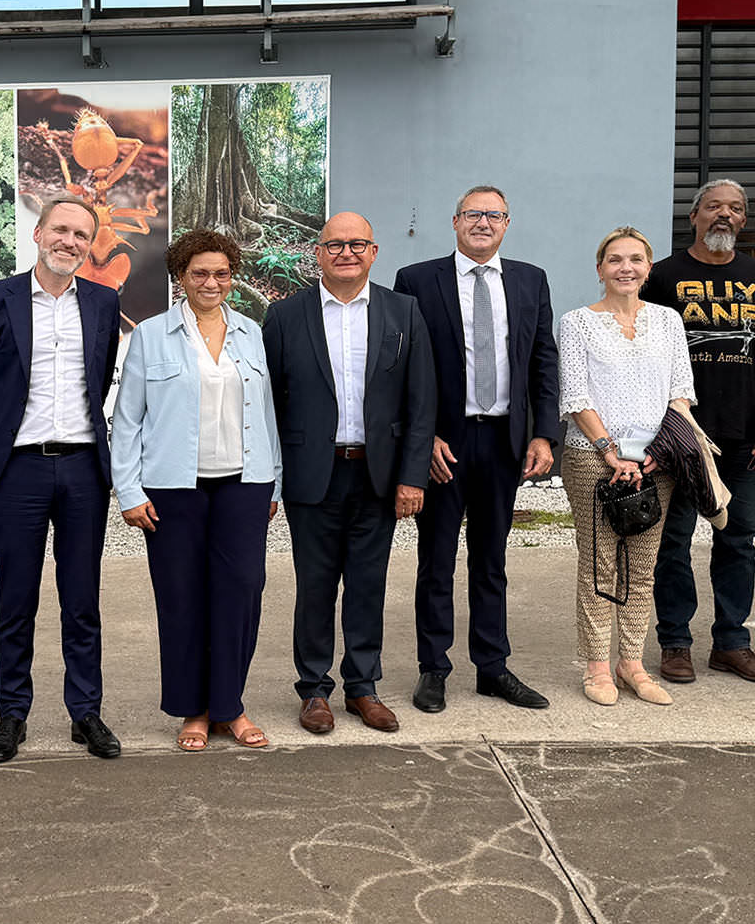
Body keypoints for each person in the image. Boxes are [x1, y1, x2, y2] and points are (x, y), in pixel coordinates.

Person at [0, 198, 123, 763]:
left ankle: (86, 712)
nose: (70, 241)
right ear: (38, 232)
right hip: (19, 469)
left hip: (83, 468)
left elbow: (99, 380)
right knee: (16, 596)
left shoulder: (104, 302)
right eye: (61, 229)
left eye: (82, 234)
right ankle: (12, 714)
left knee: (81, 599)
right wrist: (10, 440)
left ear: (89, 245)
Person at [263, 212, 435, 735]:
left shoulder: (403, 310)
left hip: (377, 476)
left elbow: (421, 401)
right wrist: (270, 478)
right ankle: (314, 689)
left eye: (357, 244)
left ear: (374, 251)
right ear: (318, 254)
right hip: (311, 473)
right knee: (315, 586)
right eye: (334, 245)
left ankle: (363, 687)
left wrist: (413, 477)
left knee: (368, 585)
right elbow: (268, 402)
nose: (346, 253)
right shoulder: (285, 315)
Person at [112, 229, 281, 751]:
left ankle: (231, 706)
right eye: (199, 273)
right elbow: (127, 419)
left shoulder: (252, 333)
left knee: (241, 594)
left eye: (222, 272)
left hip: (244, 485)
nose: (211, 282)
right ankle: (194, 711)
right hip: (172, 489)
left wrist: (275, 481)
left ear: (233, 277)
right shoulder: (151, 336)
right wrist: (129, 491)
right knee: (182, 599)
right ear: (180, 277)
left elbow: (268, 413)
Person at [392, 185, 560, 714]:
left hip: (506, 441)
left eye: (494, 214)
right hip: (447, 443)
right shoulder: (417, 280)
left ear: (507, 223)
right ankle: (433, 669)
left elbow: (543, 361)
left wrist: (543, 433)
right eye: (473, 214)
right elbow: (402, 370)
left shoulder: (531, 280)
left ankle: (492, 668)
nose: (483, 222)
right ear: (455, 221)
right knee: (436, 561)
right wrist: (423, 439)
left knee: (491, 561)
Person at [641, 178, 755, 686]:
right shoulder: (661, 276)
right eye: (713, 207)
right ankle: (675, 643)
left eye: (734, 209)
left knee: (739, 540)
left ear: (744, 221)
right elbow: (641, 355)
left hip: (744, 435)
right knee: (673, 542)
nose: (723, 215)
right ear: (694, 216)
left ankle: (731, 643)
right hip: (681, 437)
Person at [557, 227, 694, 707]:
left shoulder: (668, 321)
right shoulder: (577, 323)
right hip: (593, 460)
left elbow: (682, 392)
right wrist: (611, 452)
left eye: (636, 259)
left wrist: (660, 449)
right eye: (615, 260)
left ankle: (631, 662)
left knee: (642, 566)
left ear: (648, 269)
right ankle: (596, 667)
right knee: (599, 565)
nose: (625, 268)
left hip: (657, 463)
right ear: (600, 270)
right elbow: (575, 394)